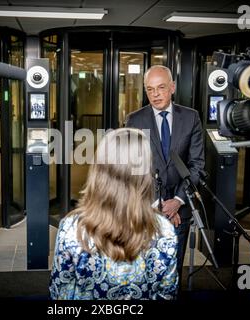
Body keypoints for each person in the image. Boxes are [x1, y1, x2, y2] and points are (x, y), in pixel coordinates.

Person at [49, 128, 179, 300]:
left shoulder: (72, 228)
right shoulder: (164, 231)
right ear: (145, 175)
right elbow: (166, 294)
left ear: (99, 170)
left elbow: (61, 293)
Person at [126, 65, 204, 277]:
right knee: (144, 272)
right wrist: (157, 204)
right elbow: (133, 168)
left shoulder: (191, 117)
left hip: (180, 210)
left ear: (172, 87)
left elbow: (196, 164)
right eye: (150, 89)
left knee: (173, 273)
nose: (155, 94)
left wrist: (177, 202)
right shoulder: (134, 120)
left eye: (160, 87)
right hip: (146, 209)